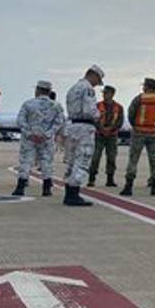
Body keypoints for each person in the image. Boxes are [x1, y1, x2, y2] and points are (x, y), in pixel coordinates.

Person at [62, 65, 104, 207]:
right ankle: (74, 193)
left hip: (72, 126)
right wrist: (98, 115)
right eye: (97, 80)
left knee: (72, 161)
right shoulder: (88, 89)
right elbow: (89, 110)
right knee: (83, 159)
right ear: (93, 75)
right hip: (85, 127)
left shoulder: (73, 88)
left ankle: (68, 193)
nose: (96, 84)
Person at [13, 81, 62, 197]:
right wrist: (48, 134)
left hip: (30, 139)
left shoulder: (28, 104)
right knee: (46, 162)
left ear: (38, 90)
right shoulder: (56, 106)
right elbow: (59, 122)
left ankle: (20, 187)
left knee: (26, 161)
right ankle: (46, 189)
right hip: (46, 139)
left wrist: (29, 133)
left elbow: (20, 121)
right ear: (49, 91)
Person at [122, 78, 155, 196]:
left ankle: (128, 186)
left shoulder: (139, 98)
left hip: (139, 131)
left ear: (147, 86)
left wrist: (135, 125)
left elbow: (131, 114)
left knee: (133, 159)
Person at [89, 85, 124, 187]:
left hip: (112, 135)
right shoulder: (98, 106)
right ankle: (91, 178)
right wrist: (101, 129)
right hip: (99, 135)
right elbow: (94, 119)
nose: (104, 95)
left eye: (106, 93)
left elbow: (120, 121)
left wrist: (111, 129)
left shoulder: (119, 107)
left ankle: (110, 179)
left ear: (112, 94)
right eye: (103, 93)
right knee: (95, 157)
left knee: (111, 157)